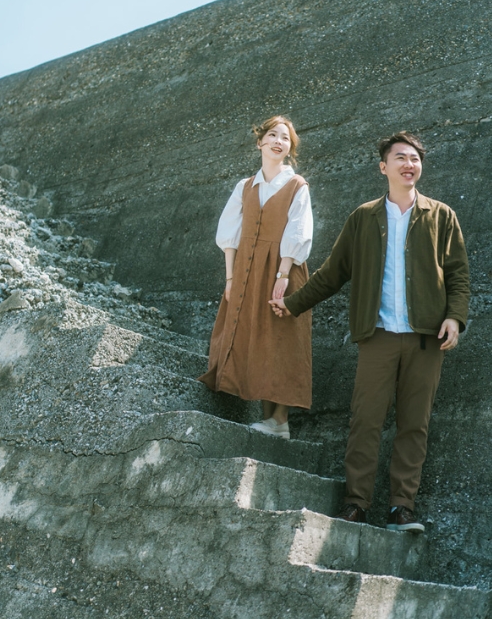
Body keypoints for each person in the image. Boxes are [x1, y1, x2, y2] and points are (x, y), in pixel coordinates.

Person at [271, 131, 468, 533]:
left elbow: (458, 275)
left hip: (426, 338)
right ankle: (357, 503)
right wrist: (291, 304)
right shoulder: (364, 217)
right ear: (384, 167)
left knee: (415, 424)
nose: (409, 164)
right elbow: (332, 273)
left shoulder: (441, 215)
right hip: (377, 335)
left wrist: (455, 316)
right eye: (400, 158)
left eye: (414, 159)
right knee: (366, 421)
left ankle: (401, 508)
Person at [199, 116, 314, 440]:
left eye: (286, 138)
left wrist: (283, 273)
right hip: (247, 271)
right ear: (260, 142)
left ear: (290, 148)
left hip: (283, 270)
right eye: (273, 135)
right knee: (255, 335)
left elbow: (299, 230)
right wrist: (230, 279)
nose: (279, 141)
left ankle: (280, 421)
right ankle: (267, 420)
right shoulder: (245, 187)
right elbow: (230, 235)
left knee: (280, 338)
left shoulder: (296, 185)